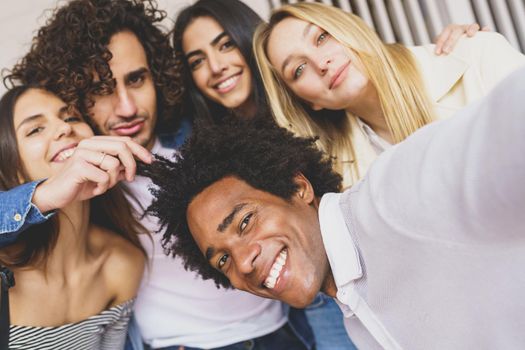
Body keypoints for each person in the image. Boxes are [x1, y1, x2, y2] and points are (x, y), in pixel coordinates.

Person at [1, 0, 313, 349]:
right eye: (101, 90)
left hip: (285, 333)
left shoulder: (204, 132)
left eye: (136, 80)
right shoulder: (75, 177)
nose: (128, 107)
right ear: (72, 95)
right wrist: (45, 195)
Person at [142, 66, 525, 349]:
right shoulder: (355, 319)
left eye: (244, 222)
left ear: (298, 187)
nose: (242, 263)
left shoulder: (394, 197)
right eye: (222, 261)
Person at [173, 2, 485, 346]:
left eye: (225, 44)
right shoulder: (204, 160)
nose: (216, 67)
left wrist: (468, 48)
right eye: (197, 61)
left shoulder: (327, 126)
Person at [253, 2, 525, 187]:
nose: (320, 63)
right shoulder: (342, 182)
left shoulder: (476, 54)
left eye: (322, 37)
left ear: (349, 28)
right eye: (299, 69)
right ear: (309, 102)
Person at [0, 86, 148, 349]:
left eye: (71, 117)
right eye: (35, 129)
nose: (64, 128)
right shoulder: (4, 269)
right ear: (13, 170)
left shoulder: (122, 263)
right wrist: (43, 196)